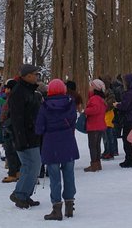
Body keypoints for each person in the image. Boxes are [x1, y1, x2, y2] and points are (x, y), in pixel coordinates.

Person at [36, 79, 79, 220]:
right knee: (69, 174)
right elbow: (73, 121)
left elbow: (39, 128)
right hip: (68, 142)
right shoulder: (71, 103)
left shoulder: (44, 106)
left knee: (54, 177)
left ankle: (56, 208)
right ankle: (69, 204)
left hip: (51, 144)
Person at [8, 64, 43, 209]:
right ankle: (20, 194)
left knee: (33, 166)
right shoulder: (19, 92)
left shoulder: (29, 91)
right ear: (28, 76)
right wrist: (21, 139)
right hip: (24, 137)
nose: (37, 77)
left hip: (32, 135)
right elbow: (17, 119)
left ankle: (24, 194)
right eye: (36, 74)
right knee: (31, 165)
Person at [114, 73, 132, 168]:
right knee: (128, 140)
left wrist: (117, 105)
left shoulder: (129, 93)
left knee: (127, 140)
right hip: (131, 118)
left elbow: (125, 106)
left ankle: (130, 160)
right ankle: (129, 159)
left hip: (128, 119)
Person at [0, 79, 21, 183]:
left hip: (10, 128)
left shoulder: (11, 98)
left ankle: (13, 173)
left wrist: (3, 120)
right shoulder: (19, 97)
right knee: (17, 151)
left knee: (10, 151)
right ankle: (18, 172)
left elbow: (4, 113)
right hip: (18, 128)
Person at [83, 79, 107, 172]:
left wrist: (85, 111)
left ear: (95, 88)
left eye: (91, 86)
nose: (89, 87)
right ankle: (97, 163)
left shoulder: (94, 98)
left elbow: (95, 109)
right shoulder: (100, 99)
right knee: (96, 145)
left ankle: (94, 164)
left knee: (92, 145)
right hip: (99, 125)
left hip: (94, 125)